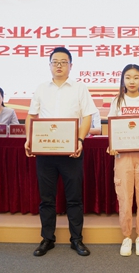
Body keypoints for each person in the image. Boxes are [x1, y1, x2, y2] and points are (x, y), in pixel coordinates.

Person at [25, 47, 98, 257]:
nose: (59, 65)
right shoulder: (41, 88)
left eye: (63, 62)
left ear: (70, 65)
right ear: (49, 65)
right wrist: (29, 139)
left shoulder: (80, 88)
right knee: (47, 199)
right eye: (55, 62)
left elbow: (87, 117)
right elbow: (31, 116)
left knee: (74, 198)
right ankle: (47, 239)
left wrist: (80, 140)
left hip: (71, 152)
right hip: (45, 152)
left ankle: (76, 239)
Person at [108, 64, 139, 256]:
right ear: (122, 80)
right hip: (123, 156)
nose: (132, 81)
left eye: (136, 77)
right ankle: (127, 237)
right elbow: (112, 126)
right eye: (128, 77)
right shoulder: (117, 101)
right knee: (124, 197)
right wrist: (112, 144)